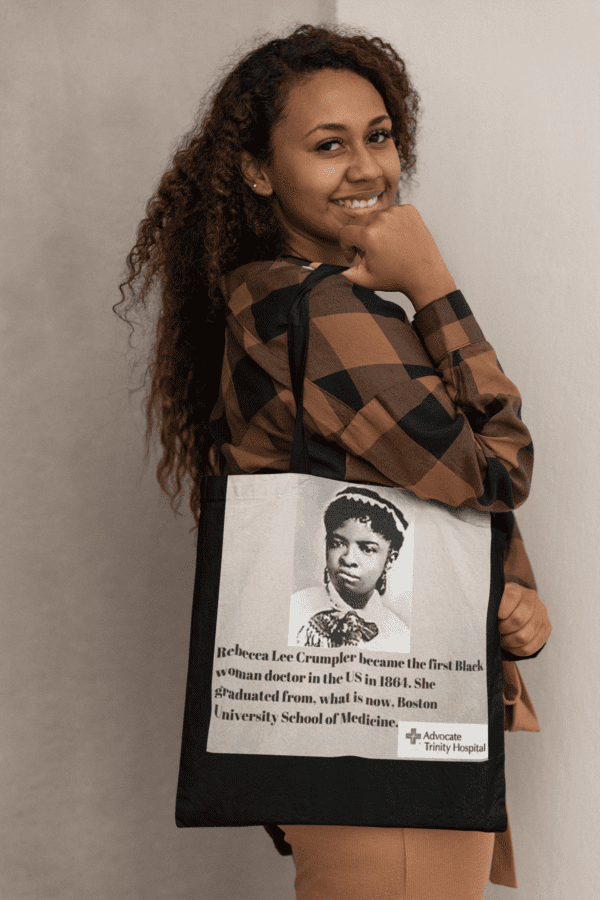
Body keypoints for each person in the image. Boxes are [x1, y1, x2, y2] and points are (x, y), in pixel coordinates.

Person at [115, 22, 552, 900]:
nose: (367, 167)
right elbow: (496, 468)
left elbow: (408, 491)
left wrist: (506, 589)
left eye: (380, 136)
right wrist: (432, 284)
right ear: (256, 171)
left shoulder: (263, 297)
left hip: (346, 728)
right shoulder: (324, 311)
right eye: (327, 145)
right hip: (386, 741)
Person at [290, 487, 411, 651]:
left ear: (390, 559)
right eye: (337, 543)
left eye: (367, 549)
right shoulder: (297, 608)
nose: (348, 559)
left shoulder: (398, 634)